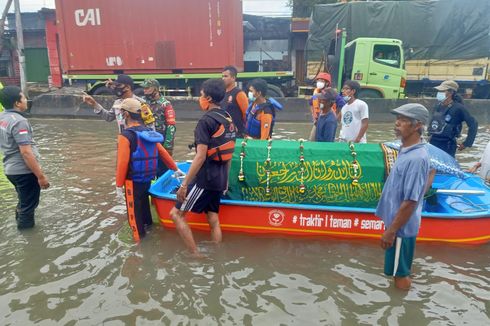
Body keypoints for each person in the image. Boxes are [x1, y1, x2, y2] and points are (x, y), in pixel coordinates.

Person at [169, 79, 236, 255]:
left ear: (208, 97)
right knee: (213, 218)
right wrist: (226, 180)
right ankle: (217, 253)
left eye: (200, 95)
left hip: (205, 179)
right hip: (220, 177)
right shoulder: (228, 119)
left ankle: (195, 255)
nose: (200, 98)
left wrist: (184, 185)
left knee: (176, 215)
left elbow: (199, 157)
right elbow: (229, 153)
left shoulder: (205, 122)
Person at [376, 103, 430, 290]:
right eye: (397, 119)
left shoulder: (417, 158)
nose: (397, 123)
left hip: (400, 230)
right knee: (397, 270)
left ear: (417, 126)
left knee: (400, 275)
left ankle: (403, 309)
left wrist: (391, 231)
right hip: (396, 226)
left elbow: (411, 201)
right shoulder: (405, 150)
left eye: (404, 120)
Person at [115, 98, 181, 242]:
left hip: (132, 181)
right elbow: (162, 152)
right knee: (144, 204)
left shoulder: (125, 136)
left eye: (121, 112)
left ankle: (139, 243)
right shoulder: (148, 132)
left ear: (126, 114)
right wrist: (175, 169)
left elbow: (122, 163)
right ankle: (150, 229)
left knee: (134, 212)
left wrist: (119, 186)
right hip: (146, 179)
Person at [0, 86, 50, 229]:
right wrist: (40, 176)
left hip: (10, 170)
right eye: (23, 97)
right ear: (17, 103)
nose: (26, 100)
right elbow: (26, 152)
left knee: (23, 202)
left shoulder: (3, 117)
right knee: (28, 208)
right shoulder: (19, 121)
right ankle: (28, 238)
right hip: (24, 172)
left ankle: (20, 225)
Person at [82, 74, 155, 133]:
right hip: (123, 140)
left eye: (118, 85)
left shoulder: (140, 103)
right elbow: (109, 117)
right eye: (115, 85)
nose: (115, 88)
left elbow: (150, 126)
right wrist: (95, 104)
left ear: (127, 87)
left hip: (138, 142)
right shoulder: (117, 103)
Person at [428, 80, 478, 157]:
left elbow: (473, 124)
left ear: (451, 92)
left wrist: (467, 143)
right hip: (433, 142)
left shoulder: (459, 108)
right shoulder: (437, 106)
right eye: (439, 91)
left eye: (442, 91)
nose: (439, 93)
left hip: (448, 144)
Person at [141, 79, 176, 176]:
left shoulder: (165, 104)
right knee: (148, 170)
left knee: (162, 170)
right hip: (147, 142)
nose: (144, 91)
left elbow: (171, 126)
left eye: (147, 88)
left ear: (155, 89)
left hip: (161, 142)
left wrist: (168, 146)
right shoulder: (143, 103)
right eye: (144, 88)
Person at [309, 72, 345, 140]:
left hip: (327, 119)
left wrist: (336, 118)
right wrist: (314, 117)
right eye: (318, 80)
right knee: (312, 139)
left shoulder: (331, 94)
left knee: (327, 138)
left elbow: (342, 105)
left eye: (322, 81)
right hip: (319, 120)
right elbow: (311, 104)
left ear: (327, 83)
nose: (319, 82)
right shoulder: (316, 93)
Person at [221, 66, 249, 138]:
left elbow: (246, 115)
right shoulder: (222, 93)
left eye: (226, 76)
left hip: (237, 134)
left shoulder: (239, 94)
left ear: (233, 78)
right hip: (224, 133)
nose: (223, 78)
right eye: (222, 76)